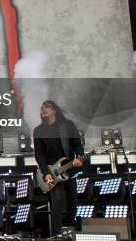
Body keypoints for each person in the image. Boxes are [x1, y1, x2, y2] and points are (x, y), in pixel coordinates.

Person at [33, 100, 84, 237]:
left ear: (54, 110)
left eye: (47, 107)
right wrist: (45, 173)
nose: (43, 109)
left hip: (69, 169)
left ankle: (68, 231)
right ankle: (57, 235)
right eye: (42, 107)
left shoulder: (68, 125)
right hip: (52, 172)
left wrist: (79, 157)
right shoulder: (38, 131)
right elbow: (39, 155)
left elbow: (77, 144)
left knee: (73, 204)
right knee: (59, 199)